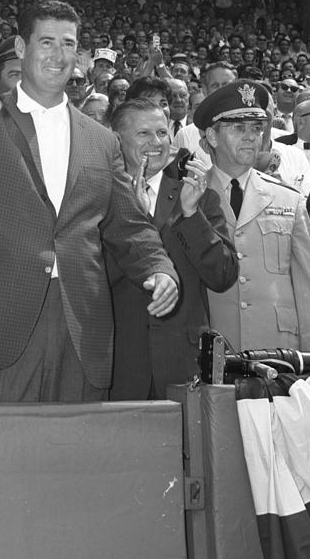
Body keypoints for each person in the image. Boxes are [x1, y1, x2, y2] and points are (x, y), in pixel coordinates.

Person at [0, 0, 178, 403]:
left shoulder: (101, 140)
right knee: (1, 455)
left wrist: (159, 268)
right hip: (2, 322)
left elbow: (127, 224)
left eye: (67, 44)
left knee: (75, 459)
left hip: (81, 324)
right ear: (21, 48)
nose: (57, 55)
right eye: (46, 42)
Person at [108, 99, 237, 398]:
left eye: (162, 133)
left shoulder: (197, 194)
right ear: (117, 140)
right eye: (143, 134)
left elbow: (223, 274)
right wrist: (132, 218)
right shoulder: (101, 197)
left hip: (184, 362)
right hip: (120, 361)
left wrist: (192, 216)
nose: (156, 143)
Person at [199, 79, 310, 352]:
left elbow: (308, 288)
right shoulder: (190, 197)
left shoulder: (288, 198)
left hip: (277, 348)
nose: (250, 136)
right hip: (213, 344)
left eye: (256, 128)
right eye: (238, 128)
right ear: (211, 137)